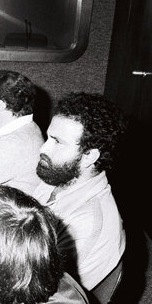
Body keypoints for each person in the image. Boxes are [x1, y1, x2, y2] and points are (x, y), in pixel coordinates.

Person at [33, 92, 127, 293]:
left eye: (57, 142)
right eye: (48, 137)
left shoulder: (86, 223)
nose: (43, 148)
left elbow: (40, 293)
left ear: (88, 156)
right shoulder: (60, 178)